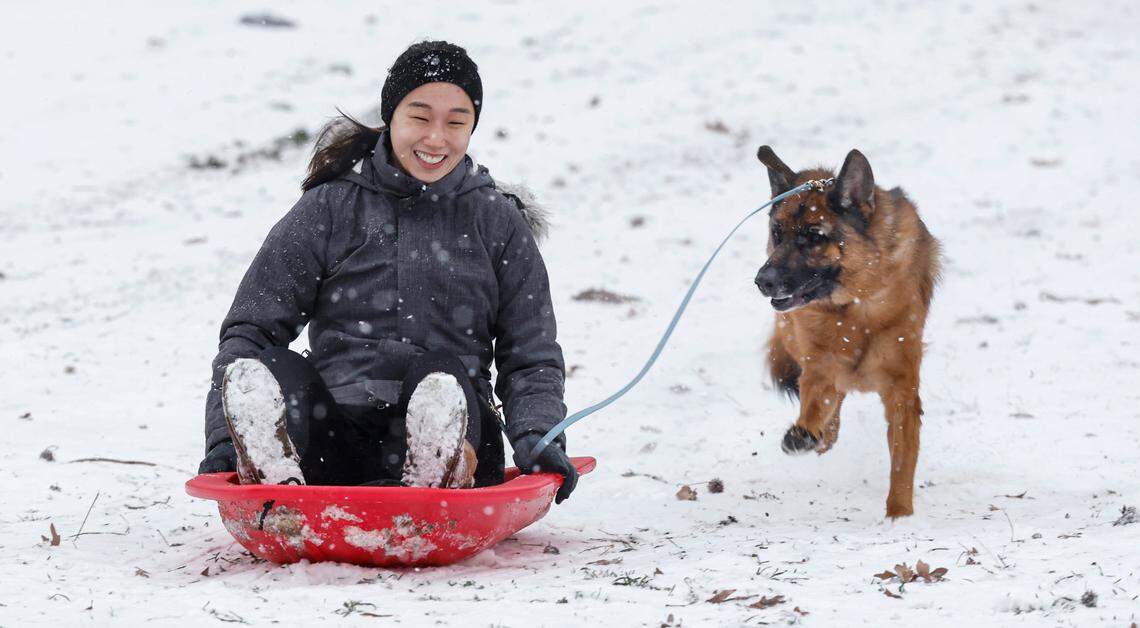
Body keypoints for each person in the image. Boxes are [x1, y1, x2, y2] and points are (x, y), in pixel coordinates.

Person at [196, 40, 577, 503]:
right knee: (272, 367)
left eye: (456, 122)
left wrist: (539, 438)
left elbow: (530, 352)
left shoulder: (495, 221)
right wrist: (222, 440)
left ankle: (439, 469)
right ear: (391, 116)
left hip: (464, 427)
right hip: (335, 439)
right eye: (420, 117)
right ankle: (276, 474)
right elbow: (250, 331)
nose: (436, 138)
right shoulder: (331, 208)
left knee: (439, 377)